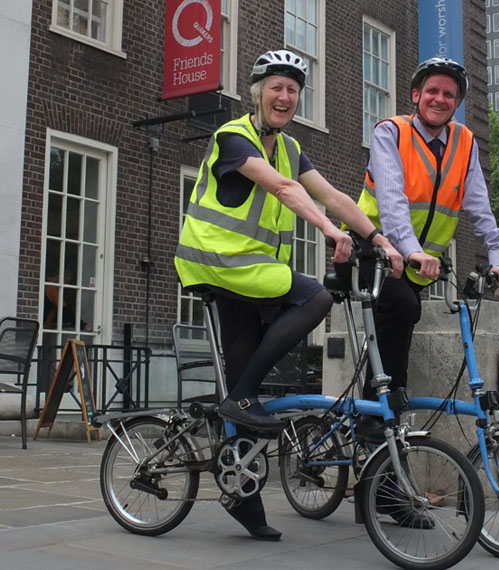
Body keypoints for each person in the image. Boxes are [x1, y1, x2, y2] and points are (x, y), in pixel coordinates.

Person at [174, 49, 402, 542]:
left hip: (252, 273)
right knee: (317, 297)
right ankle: (238, 401)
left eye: (293, 90)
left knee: (246, 382)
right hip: (217, 262)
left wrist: (379, 239)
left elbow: (336, 197)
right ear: (257, 94)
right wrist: (327, 230)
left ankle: (242, 494)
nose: (284, 96)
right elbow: (281, 189)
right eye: (276, 87)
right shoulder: (234, 137)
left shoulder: (291, 147)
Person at [353, 57, 499, 435]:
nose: (439, 99)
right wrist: (410, 249)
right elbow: (392, 202)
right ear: (415, 95)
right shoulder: (390, 133)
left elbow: (480, 206)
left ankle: (383, 418)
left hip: (416, 262)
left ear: (456, 103)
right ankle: (374, 418)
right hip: (373, 246)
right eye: (432, 91)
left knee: (405, 318)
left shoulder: (465, 142)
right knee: (400, 305)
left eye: (448, 94)